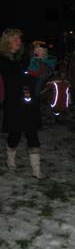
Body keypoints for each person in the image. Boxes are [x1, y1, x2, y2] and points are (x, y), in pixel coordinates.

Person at [0, 28, 44, 179]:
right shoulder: (3, 59)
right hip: (14, 102)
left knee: (32, 132)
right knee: (15, 135)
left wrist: (38, 60)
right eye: (16, 39)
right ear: (8, 41)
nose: (19, 41)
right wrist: (31, 62)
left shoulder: (24, 56)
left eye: (19, 38)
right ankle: (10, 159)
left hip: (28, 100)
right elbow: (14, 75)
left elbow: (34, 73)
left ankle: (36, 171)